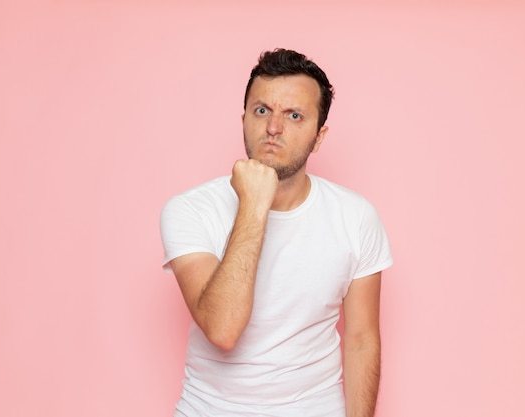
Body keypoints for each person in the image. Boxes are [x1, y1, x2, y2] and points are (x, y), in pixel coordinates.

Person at [160, 48, 393, 417]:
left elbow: (362, 340)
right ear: (244, 120)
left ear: (319, 137)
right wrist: (254, 204)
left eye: (295, 115)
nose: (273, 128)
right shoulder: (190, 210)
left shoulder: (356, 216)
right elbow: (223, 329)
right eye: (262, 110)